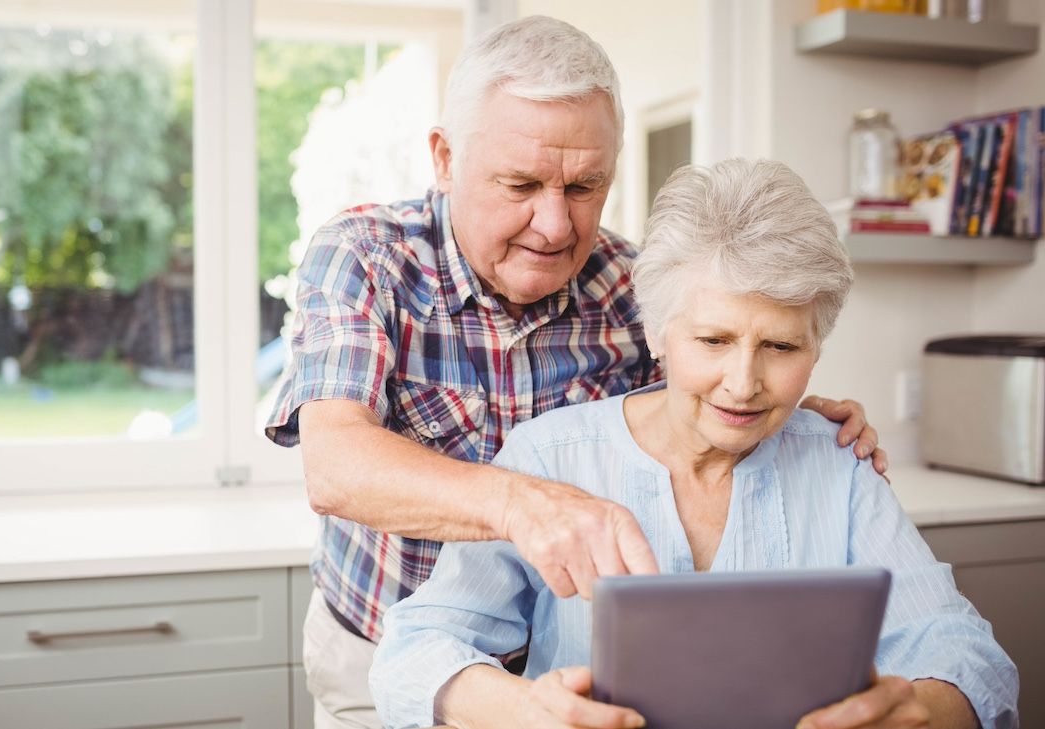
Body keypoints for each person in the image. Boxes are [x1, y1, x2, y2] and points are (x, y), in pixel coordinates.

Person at [265, 16, 888, 729]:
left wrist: (788, 406)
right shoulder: (366, 257)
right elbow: (335, 463)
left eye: (586, 186)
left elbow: (702, 398)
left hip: (565, 665)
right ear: (444, 158)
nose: (556, 225)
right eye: (521, 183)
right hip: (386, 653)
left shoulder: (633, 283)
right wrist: (522, 504)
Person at [369, 158, 1019, 729]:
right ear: (657, 332)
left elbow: (966, 651)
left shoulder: (839, 462)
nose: (743, 383)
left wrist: (927, 710)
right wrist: (518, 711)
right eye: (713, 340)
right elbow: (415, 645)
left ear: (817, 348)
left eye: (781, 346)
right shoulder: (549, 456)